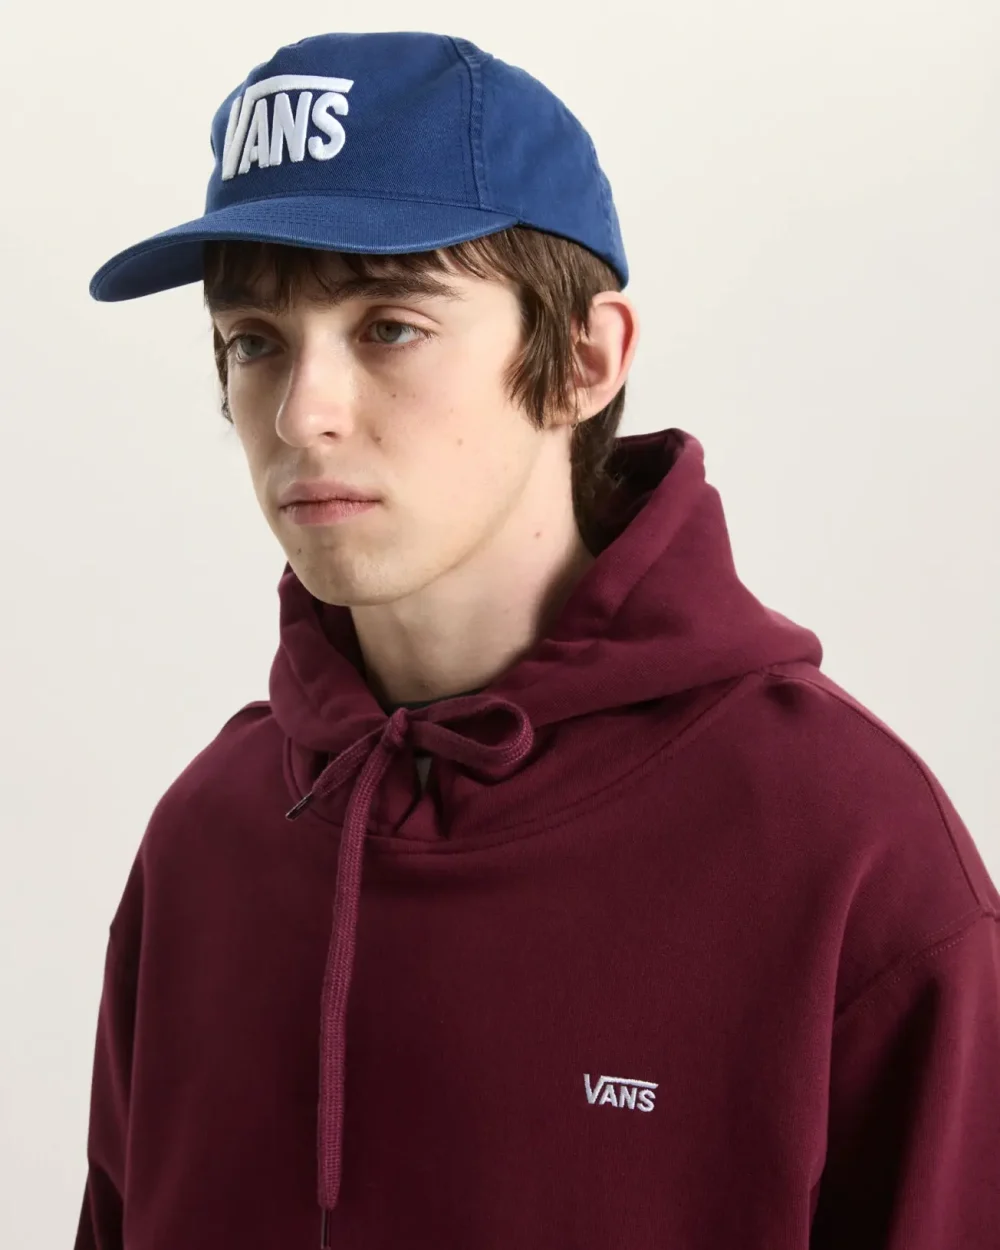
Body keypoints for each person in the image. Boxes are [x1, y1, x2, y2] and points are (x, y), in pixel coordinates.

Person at [77, 29, 1000, 1250]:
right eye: (254, 339)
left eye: (389, 325)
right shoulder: (209, 840)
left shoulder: (844, 846)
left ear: (582, 359)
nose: (302, 412)